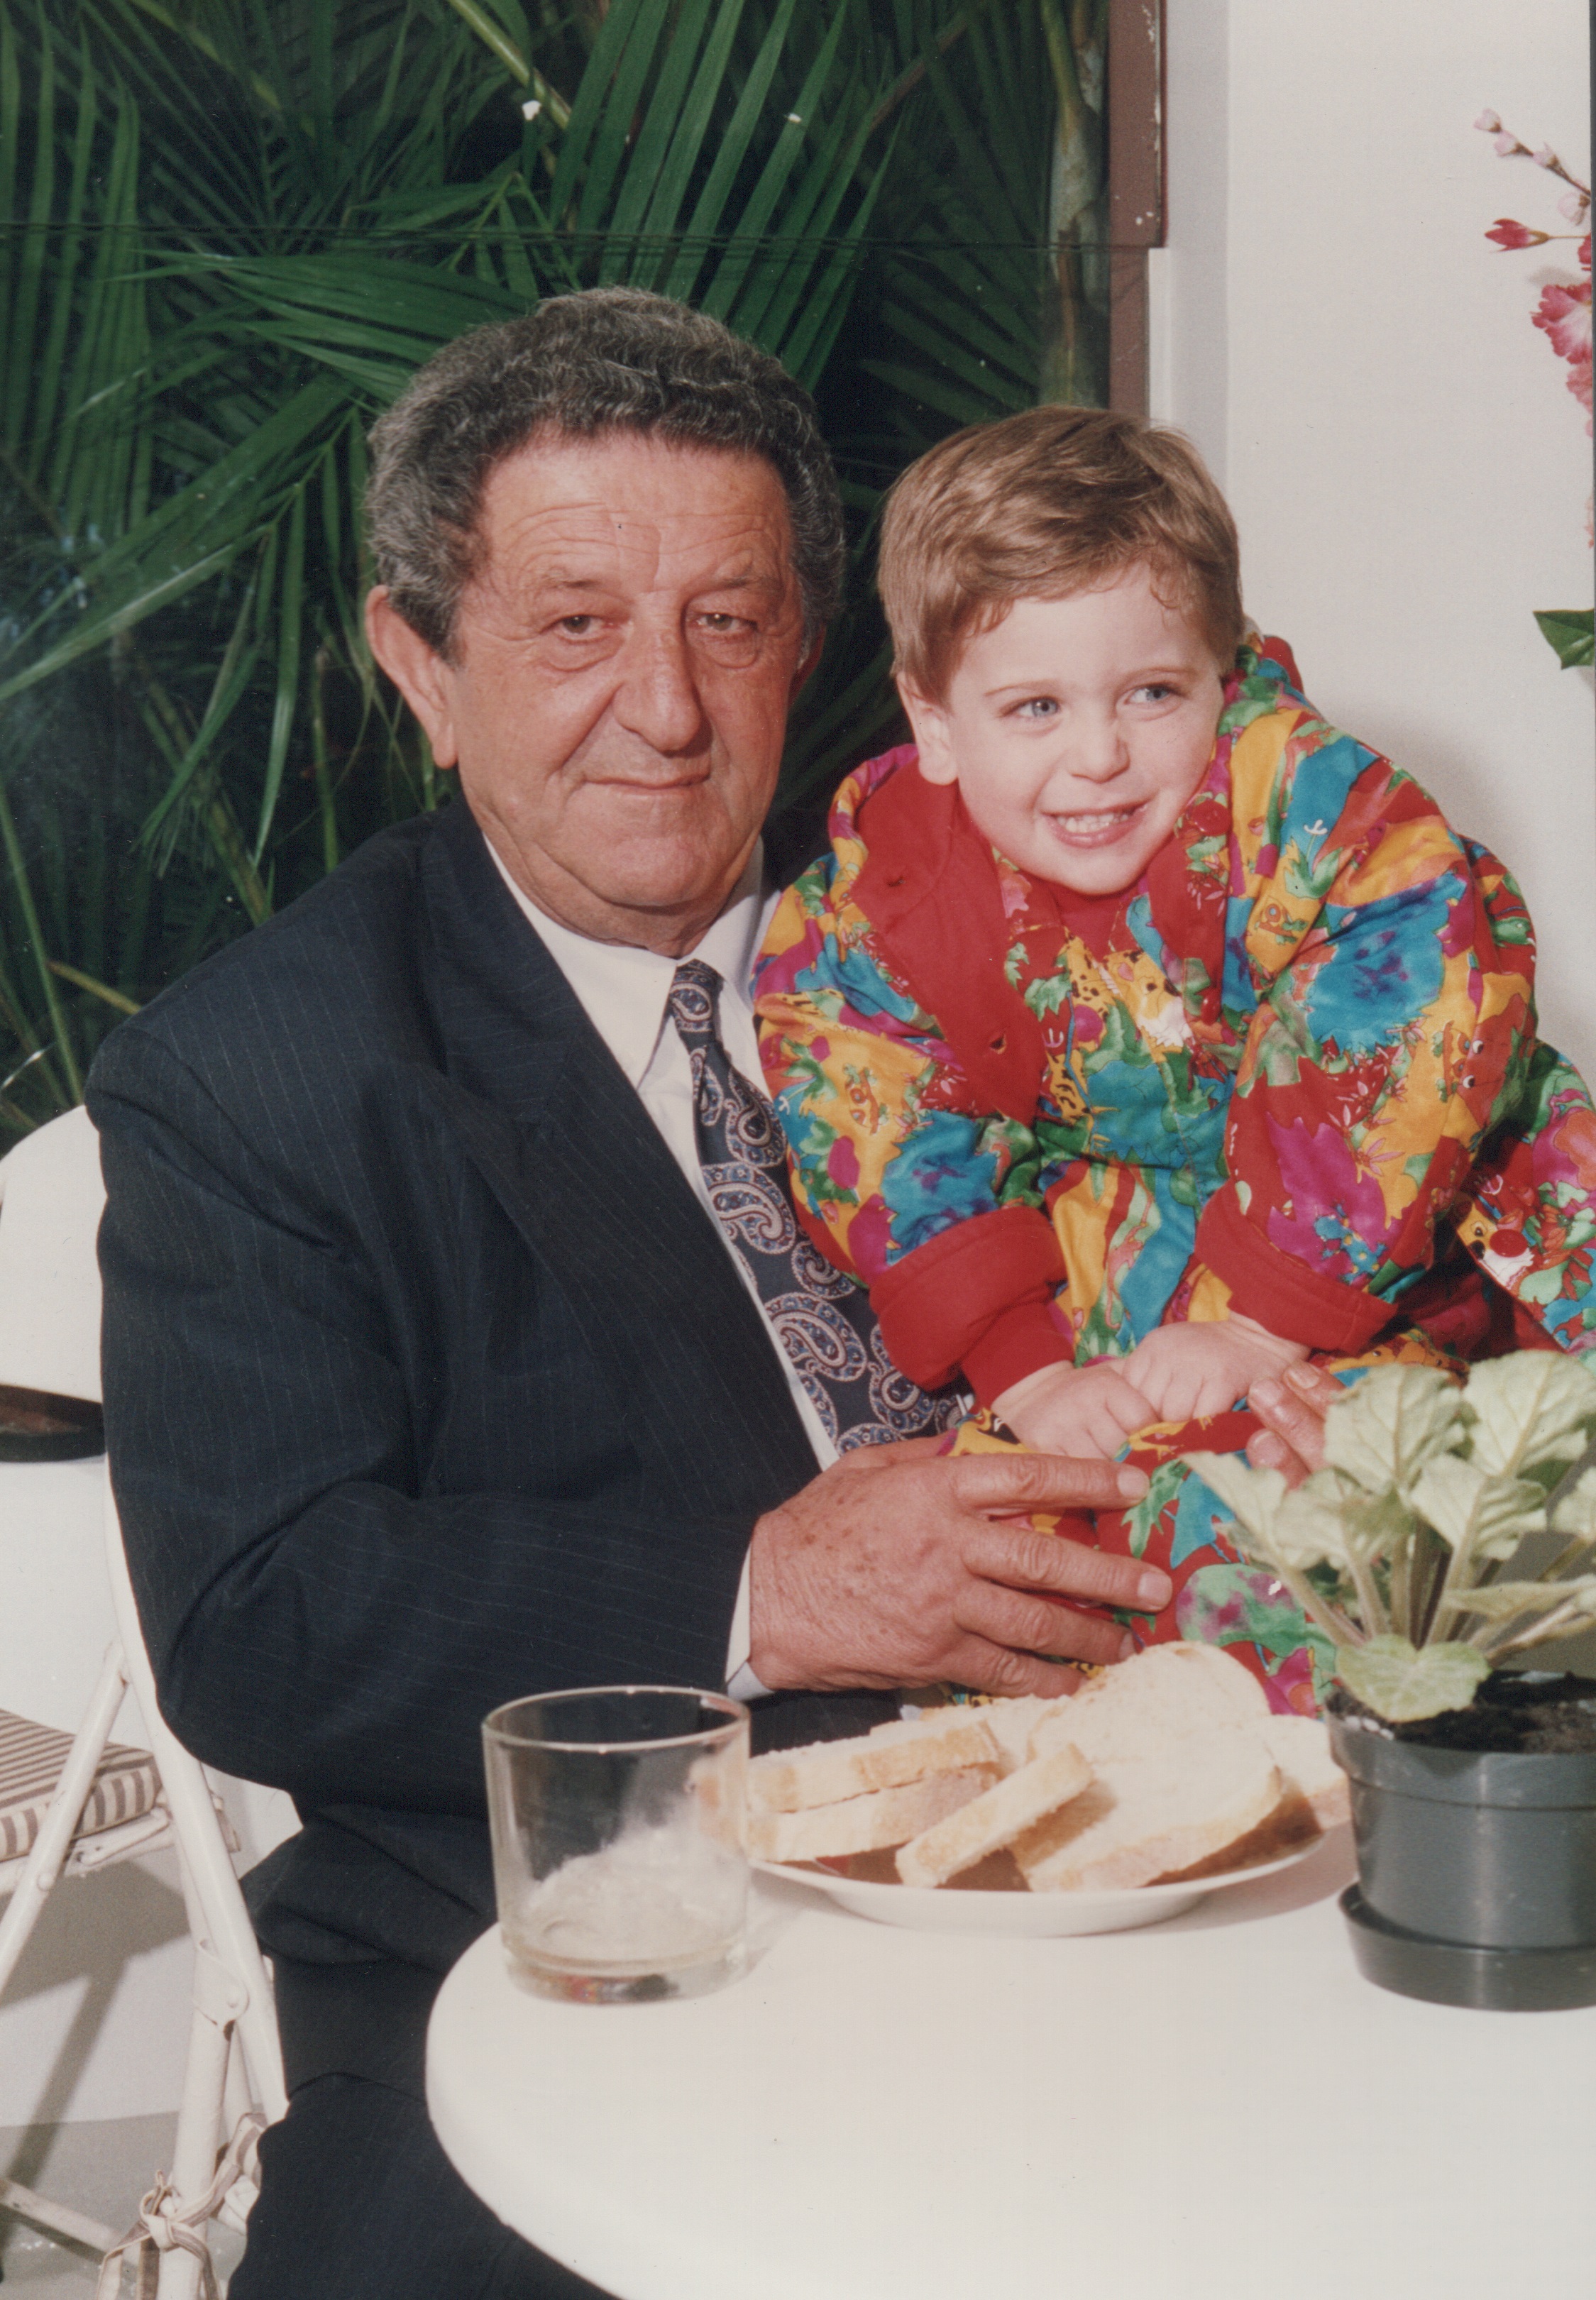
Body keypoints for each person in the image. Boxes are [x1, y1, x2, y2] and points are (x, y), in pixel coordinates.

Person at [86, 292, 1184, 2298]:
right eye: (575, 623)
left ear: (810, 648)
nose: (667, 710)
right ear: (419, 664)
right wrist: (768, 1591)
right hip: (578, 1953)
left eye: (731, 620)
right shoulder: (266, 1075)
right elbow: (262, 1616)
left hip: (1128, 1869)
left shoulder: (1038, 928)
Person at [754, 405, 1596, 1707]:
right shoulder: (875, 905)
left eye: (1150, 692)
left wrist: (1267, 1315)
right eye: (1032, 706)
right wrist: (1024, 1367)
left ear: (1226, 668)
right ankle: (1120, 1773)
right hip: (1108, 1267)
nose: (1096, 755)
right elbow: (871, 1115)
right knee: (1042, 1543)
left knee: (1352, 1523)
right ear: (931, 719)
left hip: (1378, 1216)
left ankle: (1352, 1781)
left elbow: (1402, 1023)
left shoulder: (1324, 812)